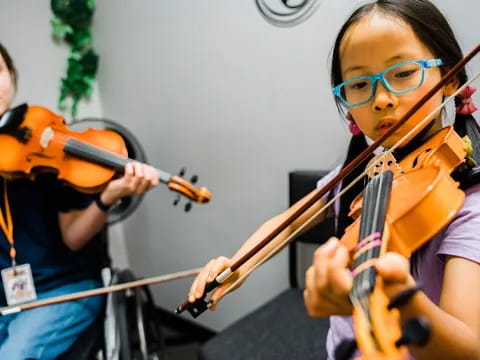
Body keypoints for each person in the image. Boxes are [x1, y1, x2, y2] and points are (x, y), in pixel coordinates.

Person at [187, 1, 480, 359]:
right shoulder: (367, 169)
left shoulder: (469, 200)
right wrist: (237, 267)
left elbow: (469, 347)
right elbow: (290, 221)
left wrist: (400, 300)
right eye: (359, 84)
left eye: (403, 73)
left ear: (450, 77)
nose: (381, 100)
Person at [0, 42, 160, 359]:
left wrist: (108, 196)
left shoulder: (46, 145)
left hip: (64, 290)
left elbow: (73, 239)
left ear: (12, 76)